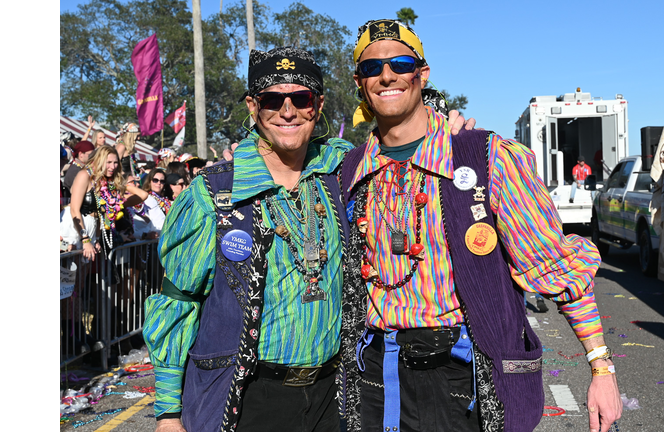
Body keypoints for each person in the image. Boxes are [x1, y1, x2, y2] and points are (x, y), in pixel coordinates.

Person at [142, 46, 469, 432]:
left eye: (301, 98)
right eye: (272, 99)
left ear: (318, 105)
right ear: (252, 106)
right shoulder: (211, 194)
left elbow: (403, 151)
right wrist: (167, 414)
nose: (287, 111)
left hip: (334, 399)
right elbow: (178, 302)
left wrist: (446, 141)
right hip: (246, 398)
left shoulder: (343, 172)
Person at [338, 19, 621, 432]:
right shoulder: (349, 171)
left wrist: (600, 368)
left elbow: (554, 266)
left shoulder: (486, 158)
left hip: (462, 380)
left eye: (400, 63)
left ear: (422, 73)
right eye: (371, 68)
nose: (386, 76)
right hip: (376, 380)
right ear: (359, 82)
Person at [70, 145, 148, 262]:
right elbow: (74, 210)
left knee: (84, 275)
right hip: (77, 229)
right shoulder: (85, 175)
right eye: (109, 162)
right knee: (71, 275)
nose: (113, 167)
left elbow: (143, 195)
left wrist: (122, 184)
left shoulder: (108, 182)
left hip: (93, 230)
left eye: (116, 162)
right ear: (99, 160)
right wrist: (85, 239)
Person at [139, 168, 171, 235]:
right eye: (155, 180)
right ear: (149, 181)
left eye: (162, 181)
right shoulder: (147, 198)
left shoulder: (165, 199)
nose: (159, 183)